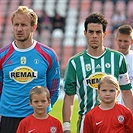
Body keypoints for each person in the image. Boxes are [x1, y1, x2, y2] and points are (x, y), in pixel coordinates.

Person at [62, 12, 133, 133]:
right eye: (91, 32)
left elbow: (126, 91)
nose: (94, 36)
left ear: (105, 34)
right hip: (86, 122)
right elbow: (69, 96)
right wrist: (67, 127)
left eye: (98, 32)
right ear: (85, 33)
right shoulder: (75, 62)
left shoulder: (118, 58)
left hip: (115, 122)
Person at [0, 6, 60, 133]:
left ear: (34, 27)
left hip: (37, 118)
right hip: (9, 118)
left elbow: (54, 89)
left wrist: (42, 110)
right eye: (16, 25)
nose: (19, 29)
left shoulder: (48, 54)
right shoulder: (2, 55)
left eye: (23, 25)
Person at [115, 24, 133, 105]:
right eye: (120, 41)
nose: (122, 44)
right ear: (116, 40)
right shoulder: (111, 58)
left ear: (131, 41)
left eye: (125, 41)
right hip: (116, 102)